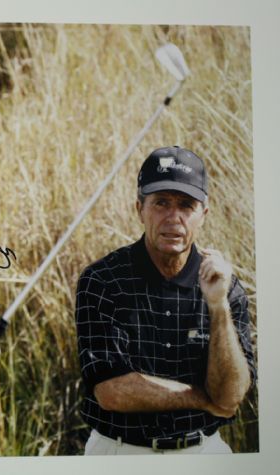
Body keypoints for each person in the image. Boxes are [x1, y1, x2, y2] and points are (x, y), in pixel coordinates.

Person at [74, 146, 256, 455]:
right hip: (119, 451)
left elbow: (232, 394)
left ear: (204, 214)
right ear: (139, 209)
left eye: (186, 205)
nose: (173, 218)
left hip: (203, 451)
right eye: (161, 203)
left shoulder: (226, 286)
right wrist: (203, 398)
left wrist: (218, 306)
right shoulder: (103, 279)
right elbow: (111, 391)